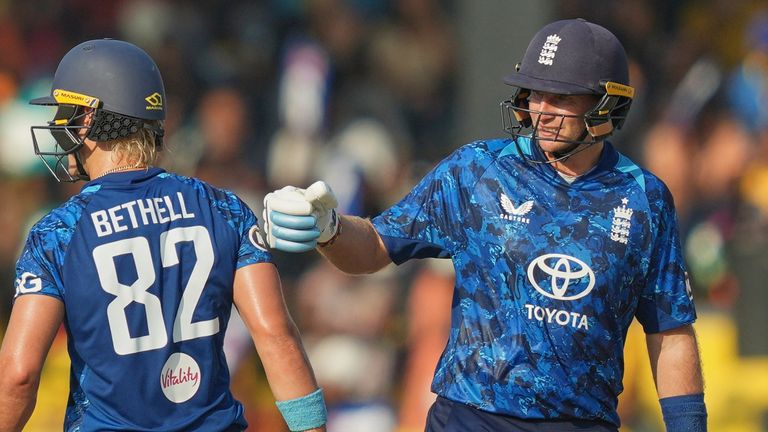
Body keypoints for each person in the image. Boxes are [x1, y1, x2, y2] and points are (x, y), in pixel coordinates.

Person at [262, 18, 707, 432]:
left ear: (605, 105)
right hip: (471, 417)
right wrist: (331, 229)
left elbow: (669, 330)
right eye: (535, 94)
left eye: (562, 99)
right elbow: (377, 245)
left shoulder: (643, 197)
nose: (542, 111)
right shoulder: (476, 171)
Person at [0, 39, 327, 432]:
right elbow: (276, 335)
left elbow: (18, 375)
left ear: (88, 120)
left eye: (65, 114)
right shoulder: (224, 208)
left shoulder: (57, 234)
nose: (58, 126)